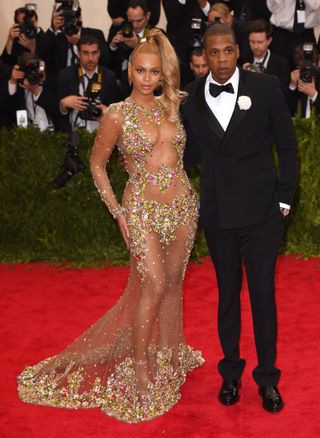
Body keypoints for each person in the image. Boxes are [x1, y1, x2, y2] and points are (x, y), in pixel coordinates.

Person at [17, 28, 204, 423]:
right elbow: (97, 165)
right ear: (130, 71)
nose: (148, 78)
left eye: (155, 72)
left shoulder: (172, 107)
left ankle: (169, 353)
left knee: (171, 285)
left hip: (184, 206)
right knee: (152, 284)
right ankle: (139, 365)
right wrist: (118, 211)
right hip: (140, 210)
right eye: (141, 70)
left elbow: (179, 157)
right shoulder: (117, 113)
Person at [182, 23, 297, 413]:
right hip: (218, 215)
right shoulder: (192, 98)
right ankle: (230, 373)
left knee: (263, 297)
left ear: (238, 52)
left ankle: (267, 378)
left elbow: (287, 145)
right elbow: (189, 157)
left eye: (227, 51)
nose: (220, 60)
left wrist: (283, 201)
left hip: (262, 213)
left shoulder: (264, 88)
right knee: (227, 297)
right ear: (204, 56)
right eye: (212, 53)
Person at [58, 35, 117, 133]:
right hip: (74, 134)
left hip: (101, 134)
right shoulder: (65, 75)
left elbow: (116, 109)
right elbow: (57, 112)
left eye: (94, 53)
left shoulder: (109, 76)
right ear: (78, 54)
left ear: (99, 53)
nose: (90, 58)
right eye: (85, 53)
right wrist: (63, 104)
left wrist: (107, 111)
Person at [108, 0, 156, 98]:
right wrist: (113, 46)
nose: (135, 25)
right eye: (131, 21)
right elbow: (107, 63)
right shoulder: (118, 30)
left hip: (146, 88)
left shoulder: (156, 34)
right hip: (120, 87)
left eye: (139, 20)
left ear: (148, 16)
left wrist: (137, 45)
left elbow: (159, 61)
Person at [242, 19, 290, 100]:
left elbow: (283, 96)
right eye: (252, 42)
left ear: (269, 41)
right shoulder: (242, 60)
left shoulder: (281, 64)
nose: (255, 46)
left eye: (260, 42)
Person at [267, 0, 320, 69]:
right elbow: (272, 7)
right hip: (281, 34)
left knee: (307, 70)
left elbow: (314, 6)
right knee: (279, 69)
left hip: (305, 35)